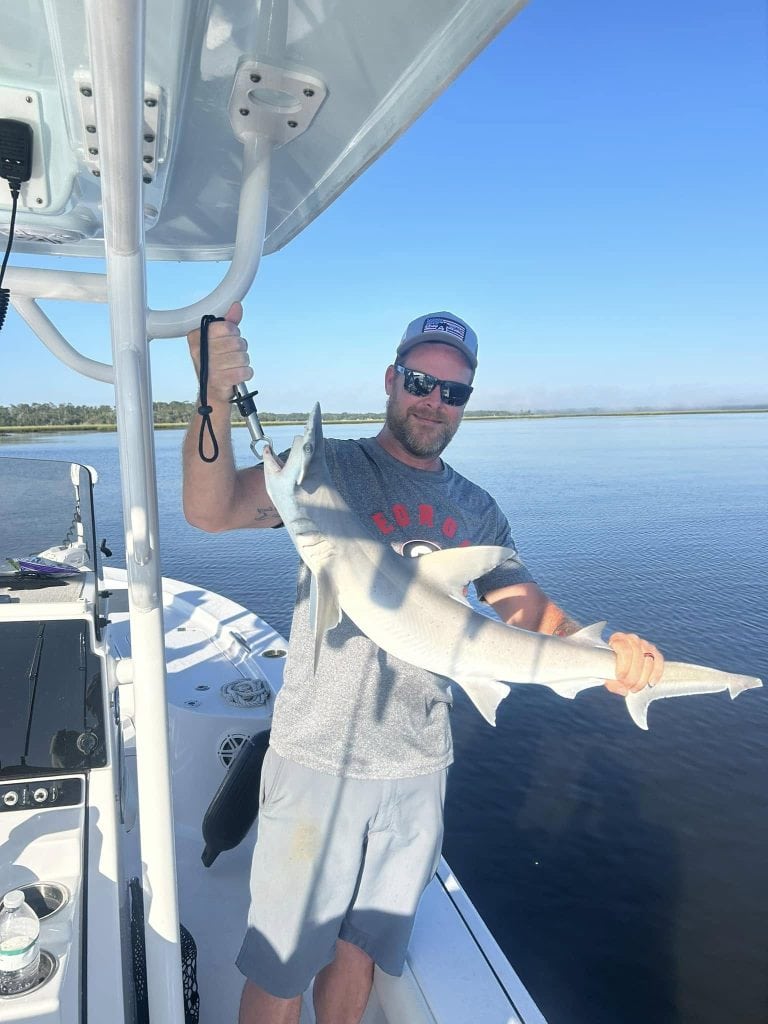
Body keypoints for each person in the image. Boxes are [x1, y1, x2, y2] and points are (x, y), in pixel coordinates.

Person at [183, 305, 664, 1024]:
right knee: (283, 966)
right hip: (318, 757)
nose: (433, 401)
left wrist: (607, 654)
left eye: (453, 391)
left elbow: (526, 611)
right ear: (391, 379)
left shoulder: (476, 509)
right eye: (420, 381)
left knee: (362, 955)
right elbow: (211, 511)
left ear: (466, 402)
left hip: (416, 770)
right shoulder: (330, 469)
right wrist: (213, 394)